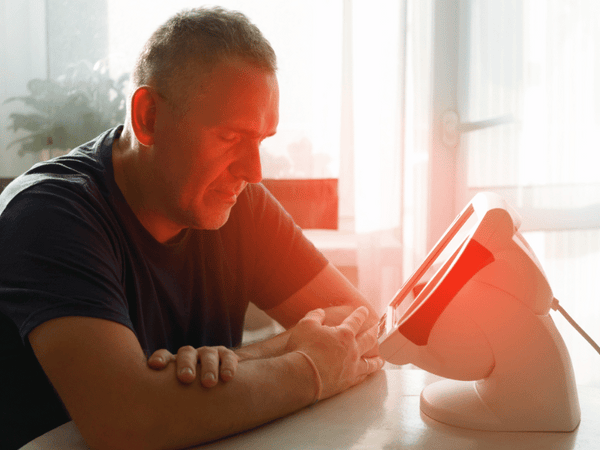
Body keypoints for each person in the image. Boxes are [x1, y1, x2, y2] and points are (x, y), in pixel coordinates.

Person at [0, 6, 384, 450]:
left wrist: (241, 360)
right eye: (231, 137)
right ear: (147, 117)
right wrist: (309, 370)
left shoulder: (239, 204)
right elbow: (126, 419)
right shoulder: (50, 214)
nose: (254, 171)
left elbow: (361, 326)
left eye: (260, 140)